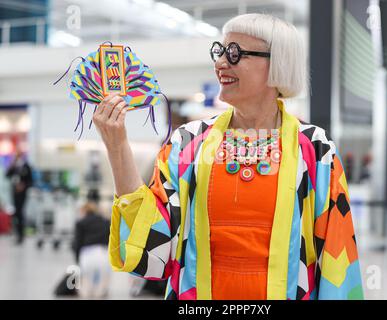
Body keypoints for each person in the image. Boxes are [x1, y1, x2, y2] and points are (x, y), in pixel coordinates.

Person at [93, 14, 364, 300]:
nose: (221, 63)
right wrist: (117, 144)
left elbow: (338, 257)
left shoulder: (314, 149)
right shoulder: (188, 142)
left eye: (235, 53)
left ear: (278, 63)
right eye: (219, 51)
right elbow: (152, 249)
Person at [72, 201, 111, 298]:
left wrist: (77, 259)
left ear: (84, 211)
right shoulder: (106, 222)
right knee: (101, 292)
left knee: (85, 291)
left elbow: (77, 243)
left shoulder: (80, 223)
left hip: (87, 255)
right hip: (103, 254)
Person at [6, 149, 33, 245]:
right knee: (16, 213)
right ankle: (17, 234)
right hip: (14, 193)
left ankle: (21, 235)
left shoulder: (26, 166)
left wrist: (23, 186)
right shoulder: (14, 166)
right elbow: (7, 175)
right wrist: (12, 164)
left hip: (22, 193)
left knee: (20, 212)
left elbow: (30, 181)